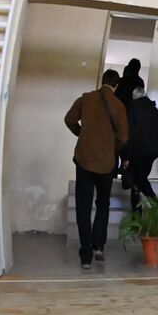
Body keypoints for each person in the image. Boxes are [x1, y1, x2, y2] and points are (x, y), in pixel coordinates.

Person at [64, 70, 128, 269]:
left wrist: (81, 134)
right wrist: (111, 149)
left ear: (102, 82)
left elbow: (69, 119)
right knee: (103, 204)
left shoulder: (86, 99)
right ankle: (98, 245)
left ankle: (85, 256)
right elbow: (124, 137)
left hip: (84, 161)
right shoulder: (118, 105)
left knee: (83, 207)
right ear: (116, 86)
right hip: (107, 164)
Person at [123, 80, 158, 210]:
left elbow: (130, 135)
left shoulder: (132, 110)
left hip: (137, 153)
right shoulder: (154, 110)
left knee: (136, 182)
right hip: (151, 153)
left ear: (133, 97)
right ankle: (154, 205)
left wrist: (126, 157)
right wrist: (154, 146)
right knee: (140, 178)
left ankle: (137, 218)